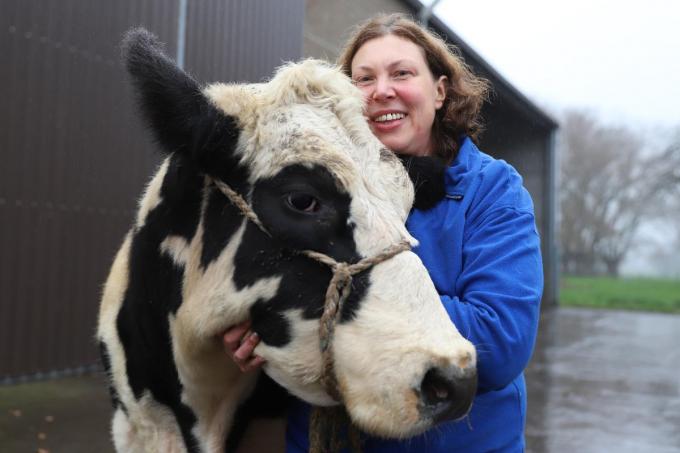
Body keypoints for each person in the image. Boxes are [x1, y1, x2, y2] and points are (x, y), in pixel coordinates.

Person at [224, 13, 543, 453]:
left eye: (402, 73)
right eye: (363, 78)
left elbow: (500, 341)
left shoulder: (492, 191)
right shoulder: (301, 193)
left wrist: (330, 304)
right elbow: (262, 300)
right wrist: (259, 343)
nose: (381, 91)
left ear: (440, 90)